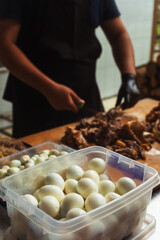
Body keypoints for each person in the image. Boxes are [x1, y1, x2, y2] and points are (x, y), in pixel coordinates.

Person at [0, 0, 140, 138]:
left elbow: (119, 35)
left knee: (97, 151)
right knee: (41, 157)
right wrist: (49, 88)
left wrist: (129, 77)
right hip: (35, 98)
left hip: (85, 95)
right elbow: (4, 46)